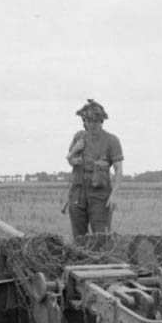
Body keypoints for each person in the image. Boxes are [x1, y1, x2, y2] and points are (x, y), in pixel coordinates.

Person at [66, 99, 123, 239]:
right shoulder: (79, 137)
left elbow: (119, 170)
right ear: (83, 121)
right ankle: (81, 260)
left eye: (95, 121)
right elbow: (71, 161)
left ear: (102, 121)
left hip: (100, 194)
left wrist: (114, 195)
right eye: (88, 121)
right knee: (79, 238)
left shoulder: (111, 140)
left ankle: (102, 261)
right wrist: (74, 151)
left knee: (101, 237)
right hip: (78, 192)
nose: (91, 124)